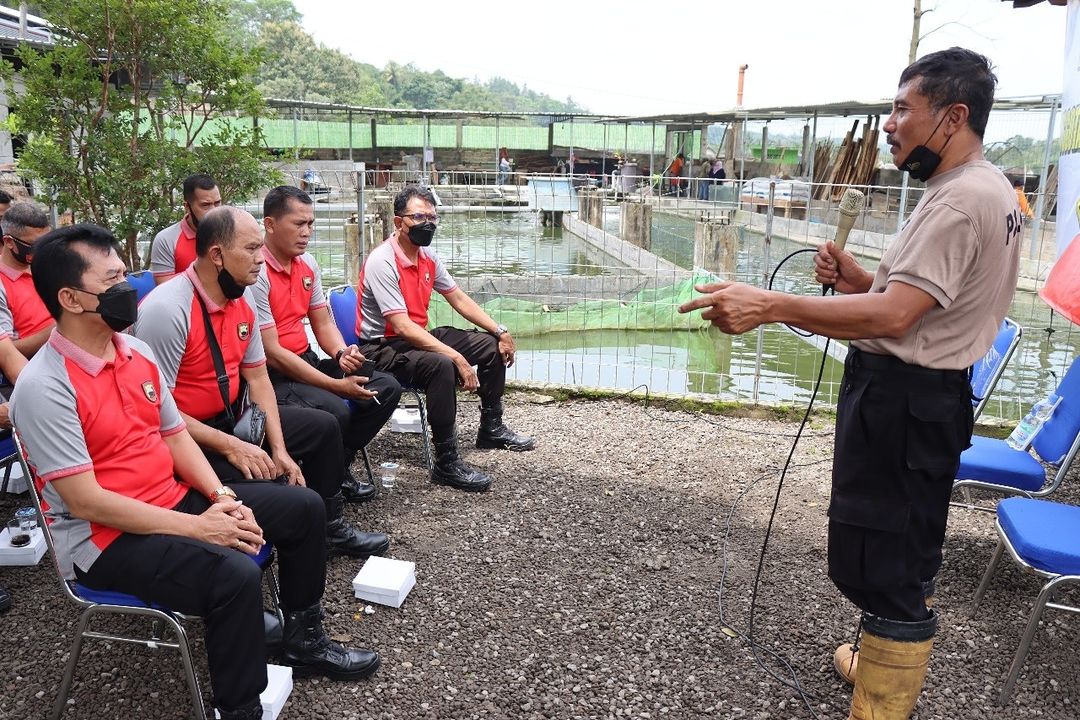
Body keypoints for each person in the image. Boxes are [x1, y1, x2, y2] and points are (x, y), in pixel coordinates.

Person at [679, 47, 1020, 719]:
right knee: (897, 541)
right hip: (921, 399)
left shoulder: (957, 202)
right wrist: (862, 282)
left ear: (953, 117)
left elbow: (897, 317)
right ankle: (876, 662)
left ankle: (882, 704)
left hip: (907, 400)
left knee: (885, 556)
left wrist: (769, 304)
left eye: (902, 109)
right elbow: (916, 300)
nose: (889, 124)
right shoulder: (980, 188)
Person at [11, 224, 380, 720]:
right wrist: (200, 526)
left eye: (126, 273)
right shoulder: (44, 387)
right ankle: (240, 707)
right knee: (232, 576)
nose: (129, 289)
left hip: (170, 498)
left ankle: (303, 636)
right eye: (114, 280)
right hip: (105, 539)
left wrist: (220, 493)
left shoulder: (132, 352)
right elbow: (85, 502)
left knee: (303, 508)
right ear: (71, 299)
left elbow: (173, 434)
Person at [134, 206, 389, 558]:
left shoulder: (243, 297)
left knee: (324, 427)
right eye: (251, 249)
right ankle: (279, 527)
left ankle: (330, 527)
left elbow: (258, 378)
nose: (260, 259)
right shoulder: (167, 310)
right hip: (185, 439)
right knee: (282, 488)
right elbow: (157, 415)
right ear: (217, 255)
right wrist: (231, 446)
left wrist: (280, 449)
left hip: (232, 419)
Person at [355, 186, 535, 492]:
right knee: (441, 365)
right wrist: (456, 358)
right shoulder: (382, 261)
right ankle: (446, 462)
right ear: (399, 222)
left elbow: (459, 299)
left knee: (490, 346)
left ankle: (491, 428)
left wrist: (500, 331)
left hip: (417, 337)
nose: (428, 223)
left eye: (432, 217)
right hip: (382, 347)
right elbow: (401, 326)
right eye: (418, 217)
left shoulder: (428, 257)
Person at [252, 186, 401, 503]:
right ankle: (326, 486)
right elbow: (272, 352)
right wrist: (336, 385)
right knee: (335, 408)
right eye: (298, 224)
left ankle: (336, 465)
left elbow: (322, 321)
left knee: (386, 386)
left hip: (305, 361)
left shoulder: (307, 264)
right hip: (273, 374)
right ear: (270, 224)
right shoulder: (256, 272)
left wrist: (340, 352)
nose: (306, 232)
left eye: (311, 224)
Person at [0, 201, 54, 359]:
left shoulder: (48, 265)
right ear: (9, 242)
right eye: (34, 244)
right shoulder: (2, 284)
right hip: (35, 365)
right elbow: (7, 353)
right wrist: (60, 329)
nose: (42, 249)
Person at [150, 173, 223, 285]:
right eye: (205, 205)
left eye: (217, 203)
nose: (214, 211)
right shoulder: (166, 240)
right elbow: (165, 289)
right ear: (187, 207)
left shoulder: (232, 232)